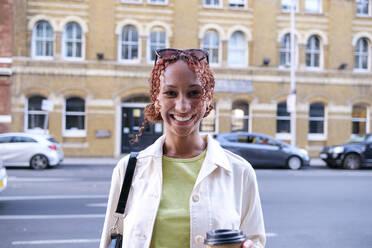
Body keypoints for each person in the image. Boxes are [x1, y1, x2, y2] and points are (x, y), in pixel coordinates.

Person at [100, 48, 266, 248]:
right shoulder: (128, 170)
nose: (182, 106)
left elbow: (256, 241)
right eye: (170, 93)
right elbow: (110, 239)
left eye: (194, 93)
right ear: (157, 100)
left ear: (207, 100)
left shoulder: (240, 172)